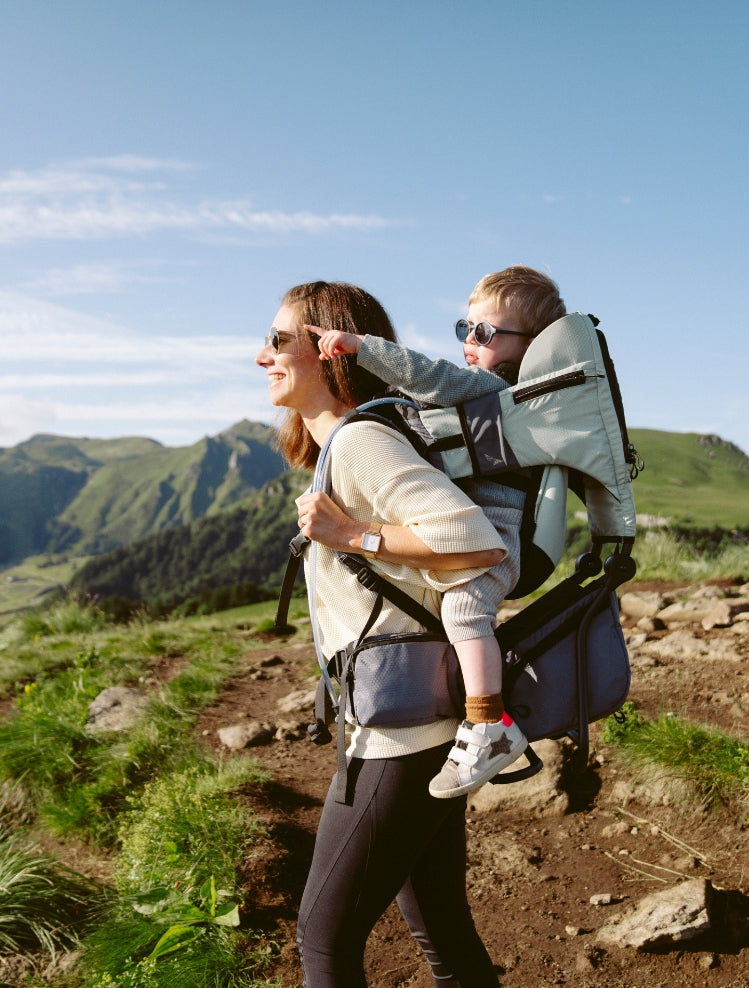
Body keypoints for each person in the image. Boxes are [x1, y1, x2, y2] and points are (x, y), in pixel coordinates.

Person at [256, 280, 506, 987]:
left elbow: (474, 540)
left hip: (400, 737)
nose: (261, 356)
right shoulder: (346, 444)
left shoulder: (362, 439)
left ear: (329, 349)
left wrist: (353, 534)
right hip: (415, 719)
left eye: (279, 340)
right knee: (442, 931)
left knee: (323, 940)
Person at [307, 265, 567, 799]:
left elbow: (432, 379)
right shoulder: (506, 404)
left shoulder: (497, 390)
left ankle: (488, 725)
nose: (470, 343)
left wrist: (361, 347)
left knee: (463, 610)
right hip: (490, 533)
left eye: (486, 333)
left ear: (531, 347)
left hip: (495, 540)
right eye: (465, 329)